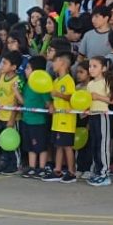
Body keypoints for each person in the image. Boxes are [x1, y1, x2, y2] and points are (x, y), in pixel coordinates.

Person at [43, 51, 78, 183]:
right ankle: (57, 170)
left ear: (62, 63)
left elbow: (72, 97)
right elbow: (53, 98)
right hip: (57, 119)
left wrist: (59, 94)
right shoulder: (56, 81)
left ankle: (71, 171)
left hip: (67, 119)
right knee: (58, 145)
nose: (52, 64)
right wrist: (51, 105)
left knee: (67, 146)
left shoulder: (68, 80)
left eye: (54, 61)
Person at [84, 57, 113, 186]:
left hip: (102, 115)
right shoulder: (90, 84)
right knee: (95, 144)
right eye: (90, 66)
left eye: (95, 66)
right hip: (92, 116)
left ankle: (105, 174)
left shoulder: (105, 82)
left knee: (103, 145)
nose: (91, 69)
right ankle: (97, 171)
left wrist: (97, 97)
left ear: (103, 68)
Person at [20, 55, 52, 178]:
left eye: (28, 68)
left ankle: (42, 168)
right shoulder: (27, 85)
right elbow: (24, 102)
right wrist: (16, 92)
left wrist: (49, 107)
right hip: (26, 119)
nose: (25, 70)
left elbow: (48, 103)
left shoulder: (41, 87)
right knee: (30, 146)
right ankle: (32, 167)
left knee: (41, 145)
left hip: (38, 121)